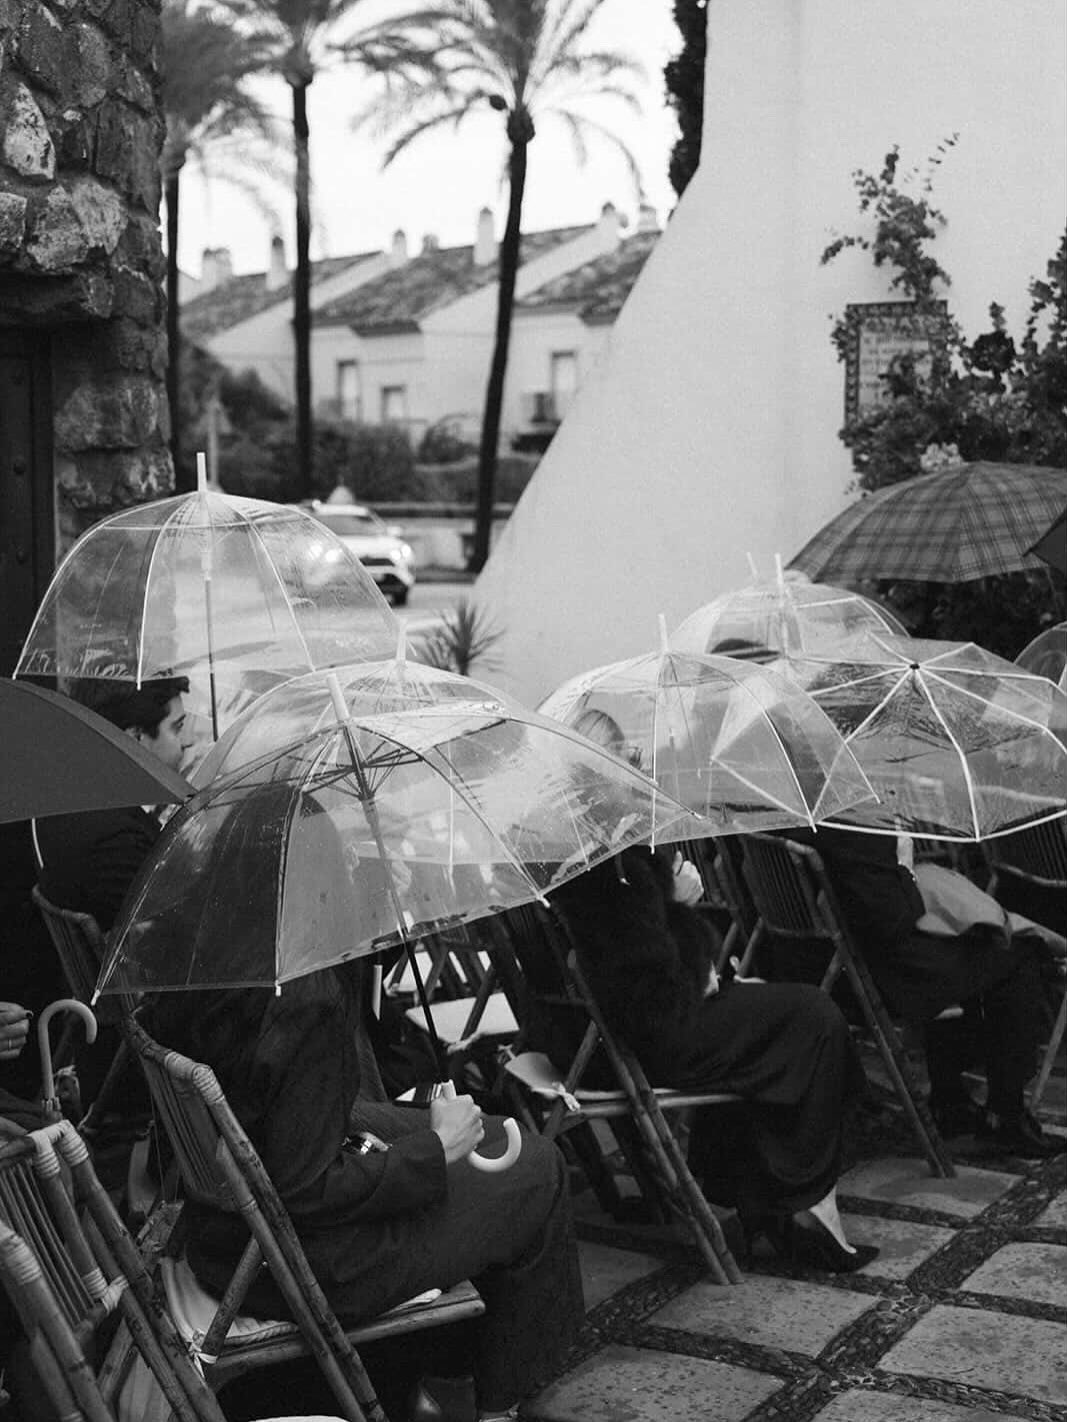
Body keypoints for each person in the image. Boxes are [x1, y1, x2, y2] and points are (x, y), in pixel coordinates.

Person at [146, 787, 583, 1422]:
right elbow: (307, 1187)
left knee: (494, 1134)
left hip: (224, 1235)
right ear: (319, 876)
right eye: (344, 860)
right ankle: (494, 1397)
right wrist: (435, 1150)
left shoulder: (205, 957)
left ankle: (452, 1369)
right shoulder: (303, 997)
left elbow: (277, 1118)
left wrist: (435, 1137)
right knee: (537, 1171)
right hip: (311, 1263)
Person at [541, 709, 877, 1274]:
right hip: (661, 1031)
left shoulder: (588, 841)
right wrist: (677, 901)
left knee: (791, 1020)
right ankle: (805, 1202)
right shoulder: (611, 855)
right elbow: (646, 975)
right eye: (628, 757)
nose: (639, 764)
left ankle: (767, 1200)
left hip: (632, 1027)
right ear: (605, 768)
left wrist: (672, 906)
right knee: (815, 1018)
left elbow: (637, 958)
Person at [796, 824, 1063, 1158]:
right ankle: (1005, 1113)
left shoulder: (788, 817)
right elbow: (892, 919)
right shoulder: (851, 825)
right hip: (879, 971)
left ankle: (950, 1100)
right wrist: (907, 873)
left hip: (817, 967)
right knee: (1016, 956)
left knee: (970, 941)